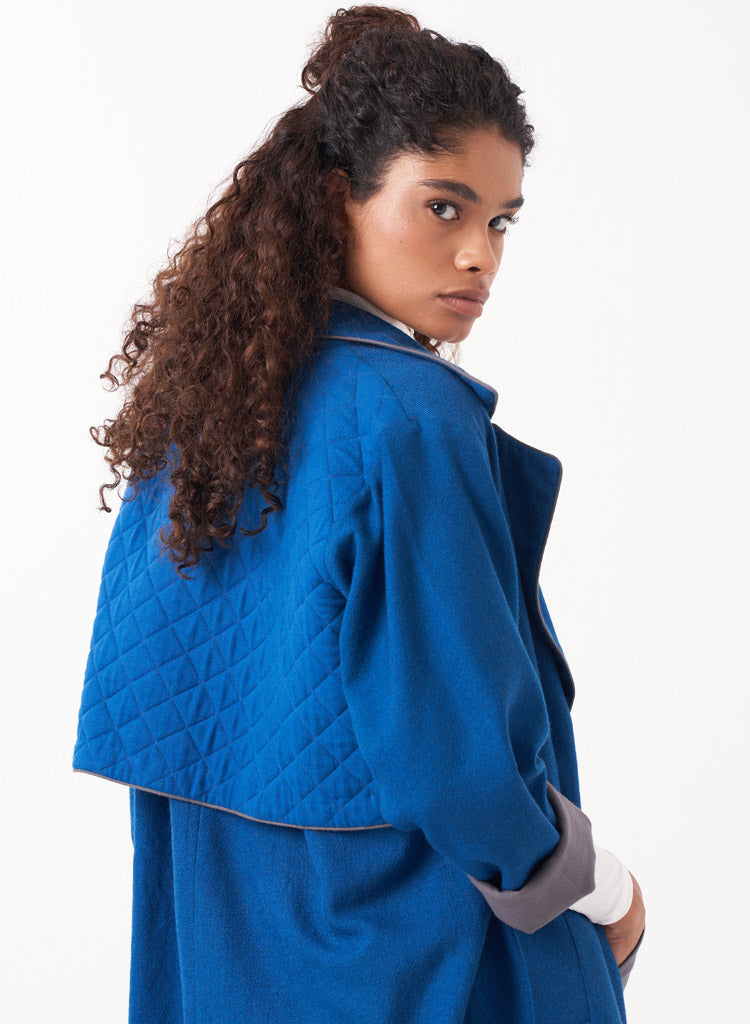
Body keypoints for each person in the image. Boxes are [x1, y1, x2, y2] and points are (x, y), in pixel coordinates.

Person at [71, 6, 646, 1022]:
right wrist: (603, 889)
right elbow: (464, 759)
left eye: (501, 221)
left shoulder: (208, 404)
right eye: (444, 208)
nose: (479, 256)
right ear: (339, 200)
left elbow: (166, 714)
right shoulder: (411, 419)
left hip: (221, 943)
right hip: (418, 955)